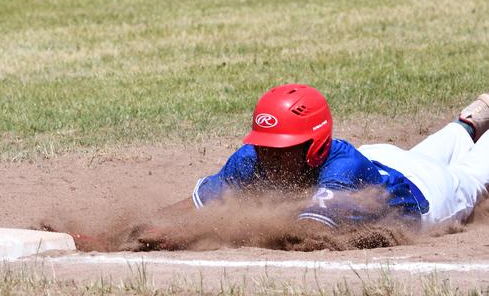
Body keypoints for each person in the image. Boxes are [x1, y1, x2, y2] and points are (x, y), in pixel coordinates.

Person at [139, 83, 489, 247]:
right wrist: (142, 230)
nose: (270, 156)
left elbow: (303, 232)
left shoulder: (341, 171)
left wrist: (195, 233)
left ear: (315, 145)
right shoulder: (252, 158)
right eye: (264, 146)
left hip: (431, 192)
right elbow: (199, 203)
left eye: (283, 148)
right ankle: (469, 123)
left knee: (472, 174)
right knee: (437, 147)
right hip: (381, 159)